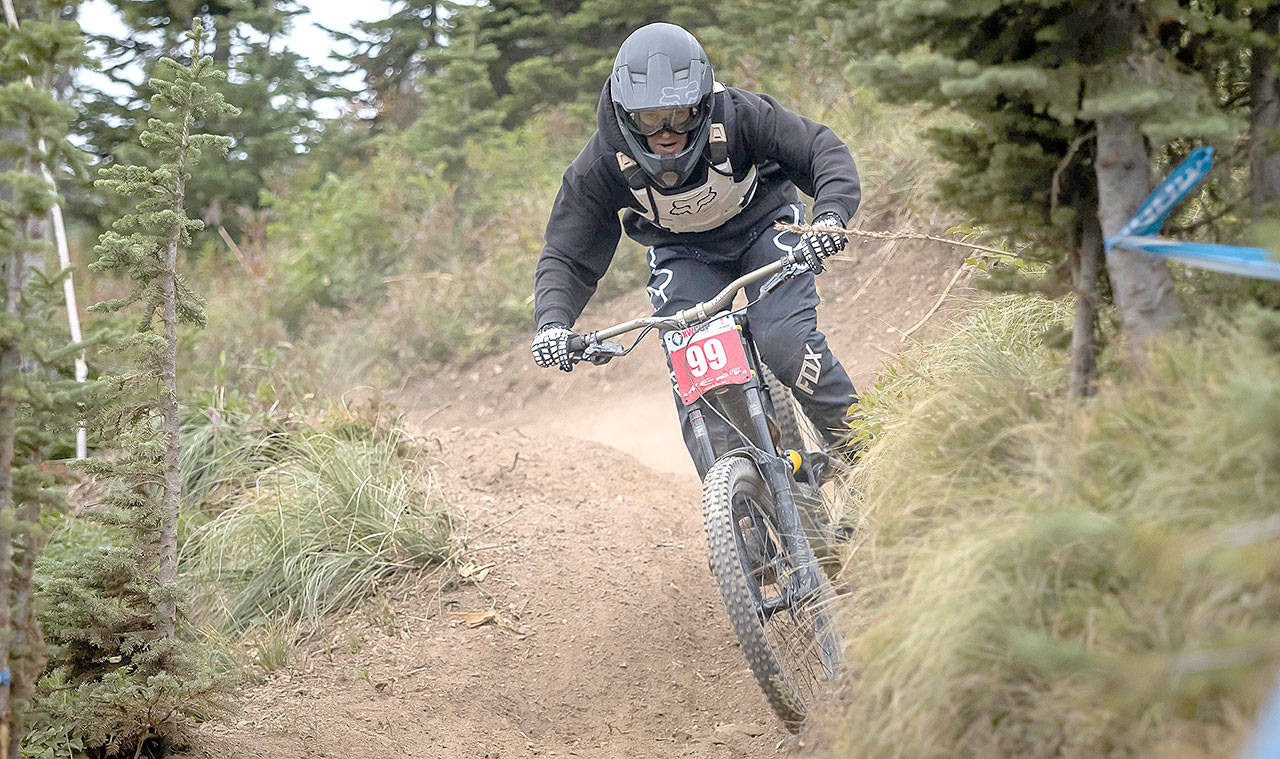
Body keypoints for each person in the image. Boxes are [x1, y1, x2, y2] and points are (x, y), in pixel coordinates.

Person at [530, 22, 861, 478]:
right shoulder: (602, 164)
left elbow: (820, 149)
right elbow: (567, 253)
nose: (666, 132)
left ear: (703, 104)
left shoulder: (740, 114)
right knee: (702, 372)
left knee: (785, 342)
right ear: (626, 114)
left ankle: (866, 455)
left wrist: (829, 217)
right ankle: (745, 510)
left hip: (766, 228)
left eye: (681, 114)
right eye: (650, 118)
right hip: (683, 256)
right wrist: (552, 324)